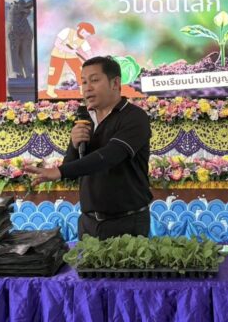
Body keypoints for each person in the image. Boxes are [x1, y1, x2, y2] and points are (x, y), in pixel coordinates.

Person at [25, 56, 152, 239]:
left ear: (115, 83)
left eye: (94, 80)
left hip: (127, 223)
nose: (87, 88)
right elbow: (72, 169)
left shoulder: (134, 117)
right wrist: (74, 145)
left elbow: (109, 156)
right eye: (83, 82)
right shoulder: (84, 120)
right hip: (88, 223)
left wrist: (59, 171)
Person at [44, 21, 95, 99]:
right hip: (57, 54)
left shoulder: (83, 41)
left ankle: (82, 89)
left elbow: (89, 52)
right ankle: (50, 90)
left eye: (87, 34)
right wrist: (69, 50)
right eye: (84, 32)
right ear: (78, 28)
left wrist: (92, 60)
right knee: (55, 71)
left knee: (80, 70)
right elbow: (57, 43)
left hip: (72, 56)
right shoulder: (67, 31)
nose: (84, 35)